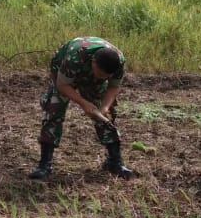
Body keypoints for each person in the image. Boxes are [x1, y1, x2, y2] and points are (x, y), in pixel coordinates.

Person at [29, 36, 133, 179]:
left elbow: (114, 86)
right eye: (100, 74)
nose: (102, 78)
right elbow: (62, 85)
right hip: (63, 71)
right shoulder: (75, 57)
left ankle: (115, 162)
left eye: (106, 76)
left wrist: (104, 107)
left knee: (106, 116)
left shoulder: (118, 62)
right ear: (93, 62)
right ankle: (44, 166)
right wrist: (84, 103)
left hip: (88, 69)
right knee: (54, 109)